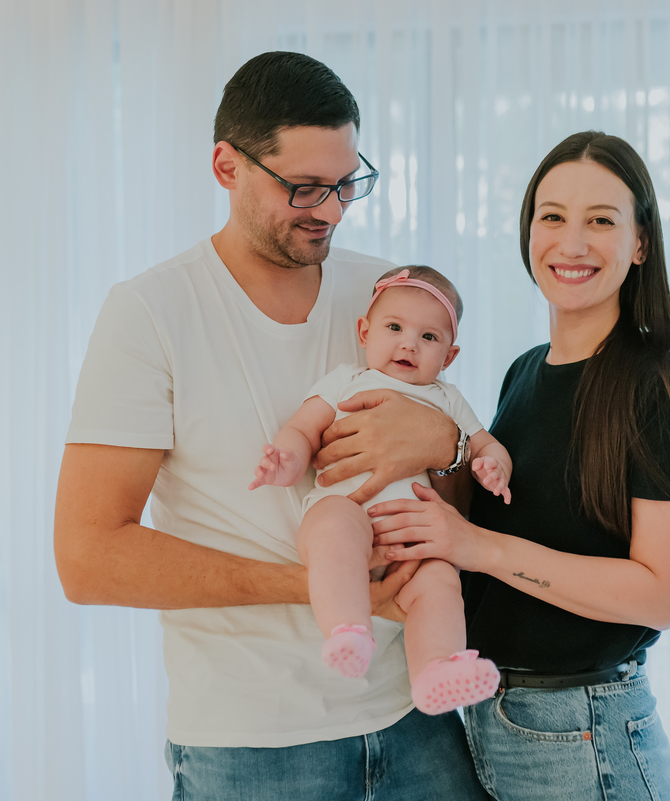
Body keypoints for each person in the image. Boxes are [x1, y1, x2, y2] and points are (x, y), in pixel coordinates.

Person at [53, 52, 490, 800]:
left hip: (419, 721)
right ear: (227, 166)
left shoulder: (390, 295)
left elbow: (458, 504)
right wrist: (322, 584)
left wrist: (444, 445)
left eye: (347, 182)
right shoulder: (151, 314)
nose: (332, 209)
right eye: (304, 187)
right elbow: (89, 557)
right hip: (251, 747)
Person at [369, 131, 670, 800]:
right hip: (487, 718)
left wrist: (477, 546)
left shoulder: (669, 384)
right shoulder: (524, 372)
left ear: (641, 243)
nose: (571, 243)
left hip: (584, 731)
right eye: (552, 216)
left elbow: (662, 593)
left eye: (601, 220)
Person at [248, 265, 510, 714]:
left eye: (429, 338)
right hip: (345, 507)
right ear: (364, 332)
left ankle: (436, 672)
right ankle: (348, 631)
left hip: (412, 532)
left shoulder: (448, 399)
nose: (409, 343)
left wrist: (493, 466)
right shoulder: (346, 380)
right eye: (394, 328)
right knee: (335, 534)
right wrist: (285, 459)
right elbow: (303, 429)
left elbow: (482, 444)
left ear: (449, 356)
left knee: (440, 581)